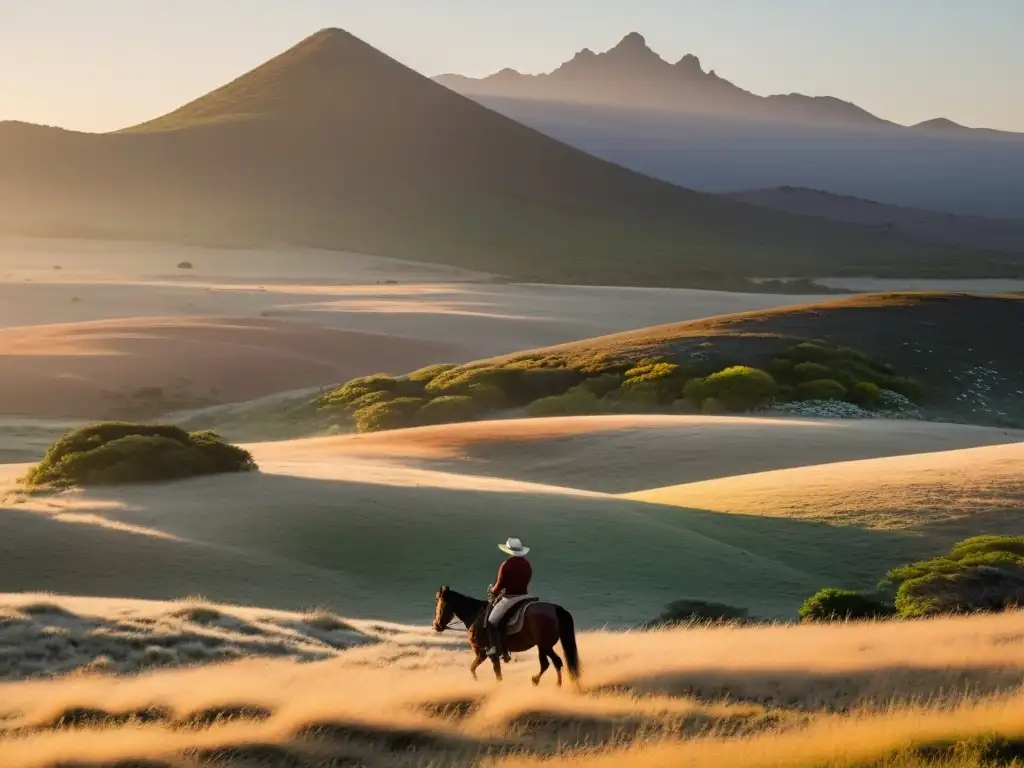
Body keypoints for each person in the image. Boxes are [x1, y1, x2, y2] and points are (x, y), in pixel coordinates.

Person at [486, 537, 532, 661]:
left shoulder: (506, 565)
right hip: (526, 596)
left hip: (510, 598)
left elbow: (500, 584)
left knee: (491, 620)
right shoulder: (527, 564)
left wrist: (493, 591)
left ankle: (499, 650)